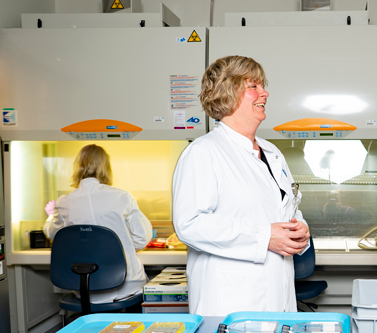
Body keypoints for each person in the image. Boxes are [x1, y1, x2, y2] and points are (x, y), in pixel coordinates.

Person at [172, 55, 311, 316]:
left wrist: (300, 229)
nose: (265, 93)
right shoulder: (204, 152)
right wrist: (264, 236)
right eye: (254, 86)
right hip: (231, 299)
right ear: (229, 93)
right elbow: (189, 223)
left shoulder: (272, 153)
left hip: (279, 293)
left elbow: (285, 210)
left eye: (262, 85)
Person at [43, 144, 152, 303]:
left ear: (76, 167)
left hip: (86, 288)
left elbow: (53, 233)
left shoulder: (65, 202)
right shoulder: (122, 197)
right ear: (107, 168)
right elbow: (142, 238)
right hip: (127, 287)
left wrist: (51, 215)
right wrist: (118, 247)